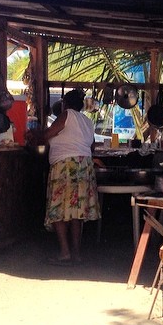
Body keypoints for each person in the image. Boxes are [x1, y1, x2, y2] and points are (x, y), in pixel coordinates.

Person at [42, 88, 100, 265]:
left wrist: (34, 136)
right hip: (84, 166)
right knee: (77, 212)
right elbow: (92, 147)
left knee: (58, 209)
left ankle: (65, 252)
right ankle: (76, 253)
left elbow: (47, 135)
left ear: (65, 104)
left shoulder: (66, 115)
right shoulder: (87, 121)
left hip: (65, 166)